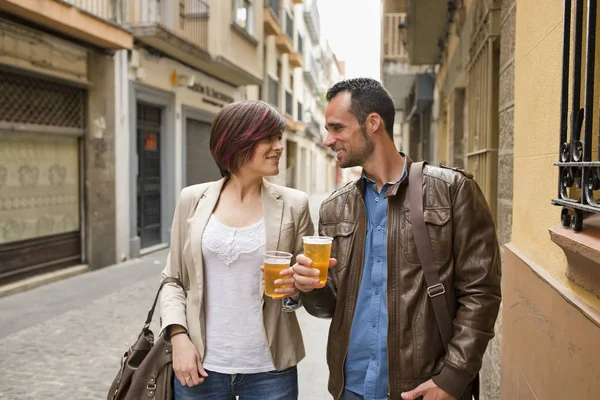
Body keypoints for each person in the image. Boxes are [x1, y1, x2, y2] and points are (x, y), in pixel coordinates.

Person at [293, 78, 501, 400]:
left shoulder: (452, 190)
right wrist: (310, 288)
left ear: (372, 122)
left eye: (337, 128)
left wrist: (454, 377)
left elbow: (481, 293)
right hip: (352, 388)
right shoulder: (334, 208)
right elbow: (330, 306)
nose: (327, 140)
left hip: (422, 388)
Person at [159, 100, 314, 400]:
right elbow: (173, 279)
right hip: (200, 366)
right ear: (236, 142)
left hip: (271, 370)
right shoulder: (192, 199)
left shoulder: (295, 204)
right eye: (268, 138)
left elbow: (306, 287)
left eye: (279, 138)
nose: (279, 146)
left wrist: (298, 290)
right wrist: (178, 338)